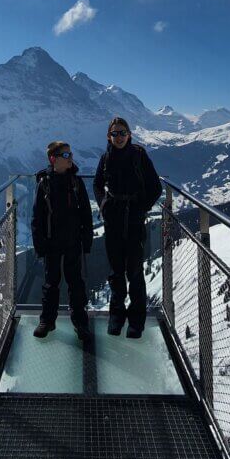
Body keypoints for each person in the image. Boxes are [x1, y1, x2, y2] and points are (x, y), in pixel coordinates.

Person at [93, 116, 162, 338]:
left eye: (123, 133)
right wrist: (104, 204)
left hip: (133, 218)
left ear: (129, 134)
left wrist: (141, 208)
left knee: (134, 271)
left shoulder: (139, 156)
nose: (119, 137)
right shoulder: (105, 158)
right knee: (115, 272)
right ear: (109, 136)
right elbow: (96, 184)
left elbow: (155, 187)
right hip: (113, 218)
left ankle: (136, 322)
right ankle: (116, 318)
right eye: (115, 133)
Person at [31, 140, 94, 341]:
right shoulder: (44, 184)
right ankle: (47, 321)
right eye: (66, 155)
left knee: (76, 282)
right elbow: (37, 217)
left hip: (73, 241)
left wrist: (87, 239)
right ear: (53, 159)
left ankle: (80, 322)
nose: (70, 159)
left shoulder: (76, 183)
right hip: (51, 243)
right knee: (51, 282)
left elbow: (86, 213)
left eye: (70, 155)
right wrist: (39, 244)